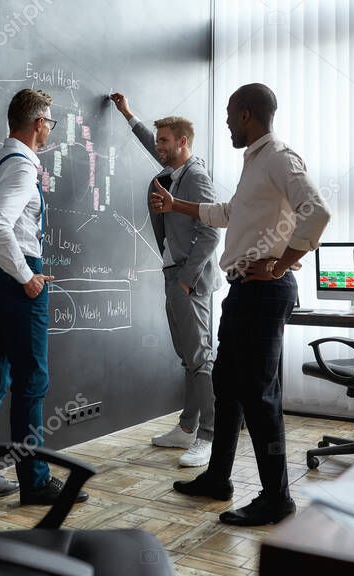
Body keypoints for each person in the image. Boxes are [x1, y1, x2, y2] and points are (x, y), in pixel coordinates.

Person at [157, 83, 331, 526]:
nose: (228, 122)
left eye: (231, 114)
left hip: (264, 292)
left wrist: (280, 265)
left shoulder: (279, 159)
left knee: (260, 398)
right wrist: (178, 205)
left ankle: (277, 499)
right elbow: (229, 213)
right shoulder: (255, 163)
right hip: (243, 291)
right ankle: (218, 478)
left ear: (248, 114)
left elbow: (317, 211)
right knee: (228, 390)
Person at [0, 88, 88, 506]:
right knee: (32, 381)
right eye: (49, 121)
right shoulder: (22, 169)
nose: (50, 128)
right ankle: (34, 481)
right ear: (37, 124)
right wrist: (24, 275)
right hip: (17, 278)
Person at [109, 93, 224, 467]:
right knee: (188, 358)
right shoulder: (174, 171)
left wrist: (187, 280)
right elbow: (151, 145)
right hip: (175, 274)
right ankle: (187, 427)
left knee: (201, 358)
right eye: (156, 141)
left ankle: (208, 435)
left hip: (191, 279)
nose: (158, 147)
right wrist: (129, 115)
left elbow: (211, 232)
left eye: (164, 141)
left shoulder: (196, 177)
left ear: (182, 143)